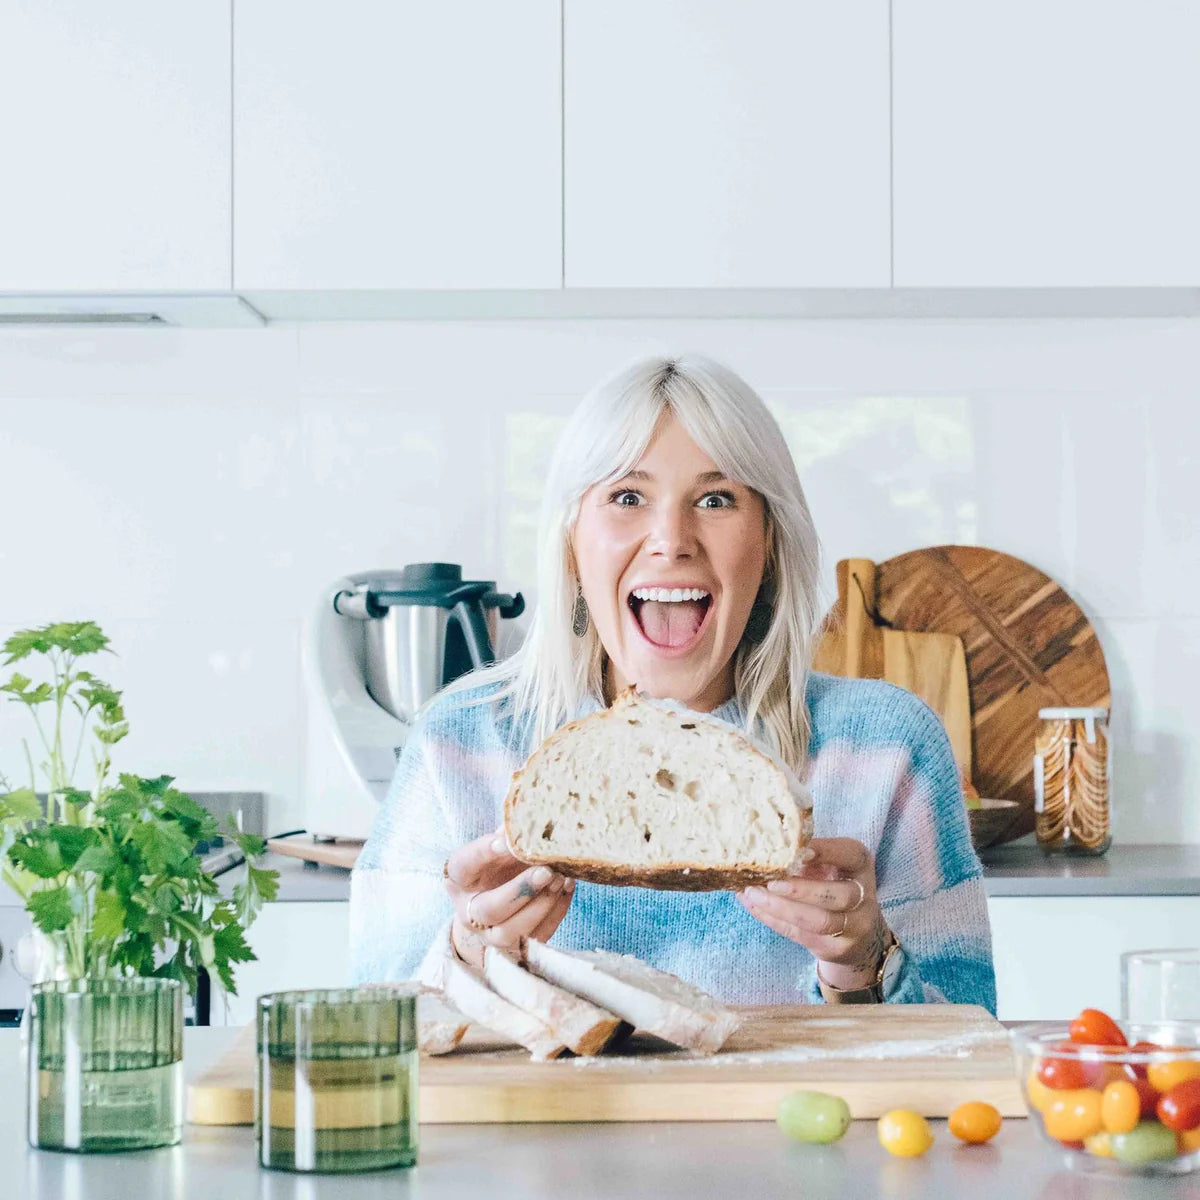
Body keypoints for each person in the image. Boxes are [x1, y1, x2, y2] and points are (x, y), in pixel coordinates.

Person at [350, 354, 996, 1010]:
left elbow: (970, 1038)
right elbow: (373, 1026)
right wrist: (465, 957)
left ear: (770, 544)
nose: (671, 540)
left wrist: (865, 964)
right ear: (572, 543)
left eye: (716, 499)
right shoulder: (460, 740)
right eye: (627, 497)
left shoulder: (887, 747)